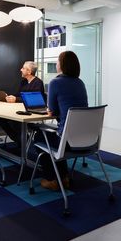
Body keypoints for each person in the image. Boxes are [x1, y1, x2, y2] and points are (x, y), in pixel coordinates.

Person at [35, 51, 88, 191]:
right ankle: (63, 177)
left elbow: (51, 110)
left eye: (58, 61)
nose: (57, 63)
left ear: (62, 64)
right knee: (54, 136)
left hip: (68, 141)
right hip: (87, 139)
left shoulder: (56, 82)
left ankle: (52, 179)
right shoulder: (80, 83)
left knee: (39, 135)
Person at [0, 61, 45, 145]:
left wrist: (16, 99)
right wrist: (9, 96)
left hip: (32, 112)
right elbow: (19, 94)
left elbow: (32, 100)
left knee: (14, 120)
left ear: (29, 71)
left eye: (23, 68)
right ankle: (20, 141)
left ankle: (24, 142)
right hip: (21, 109)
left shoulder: (38, 83)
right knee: (0, 119)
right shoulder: (24, 82)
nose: (20, 70)